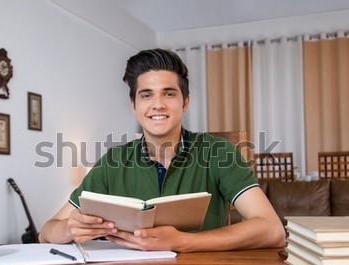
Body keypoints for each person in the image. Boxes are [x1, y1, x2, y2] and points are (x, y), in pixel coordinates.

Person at [39, 48, 286, 252]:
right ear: (134, 105)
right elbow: (45, 233)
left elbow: (272, 230)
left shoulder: (219, 152)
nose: (158, 104)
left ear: (185, 102)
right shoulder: (113, 161)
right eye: (146, 95)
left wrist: (182, 241)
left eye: (169, 93)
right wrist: (68, 228)